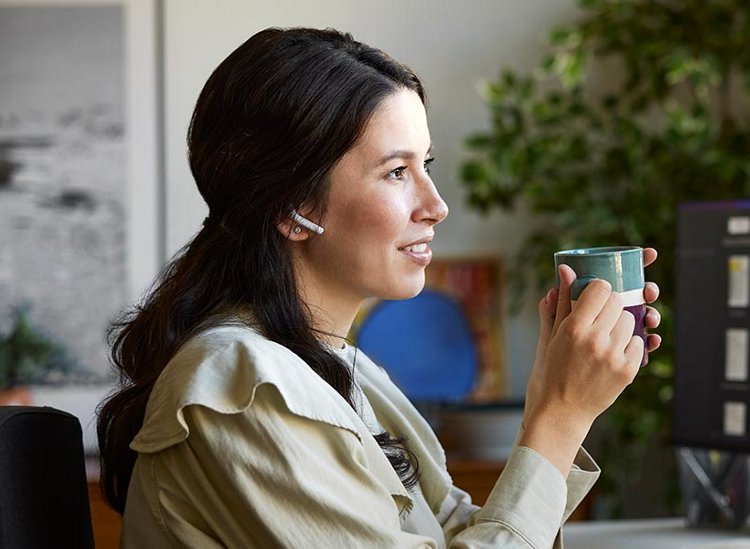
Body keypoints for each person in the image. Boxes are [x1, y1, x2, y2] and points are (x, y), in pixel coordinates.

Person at [95, 28, 663, 547]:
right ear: (292, 208)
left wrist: (553, 392)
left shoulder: (341, 370)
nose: (435, 206)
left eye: (426, 165)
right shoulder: (245, 393)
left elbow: (465, 533)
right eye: (396, 172)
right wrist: (559, 416)